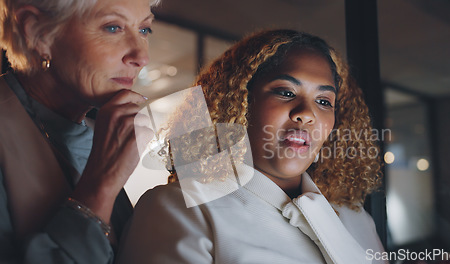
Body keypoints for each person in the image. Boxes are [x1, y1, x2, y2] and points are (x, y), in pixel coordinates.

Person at [117, 29, 387, 264]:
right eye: (286, 92)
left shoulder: (355, 217)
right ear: (239, 103)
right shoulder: (179, 208)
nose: (307, 113)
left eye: (324, 101)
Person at [0, 0, 157, 262]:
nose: (142, 57)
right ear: (36, 31)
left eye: (144, 30)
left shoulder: (100, 130)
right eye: (113, 27)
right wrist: (101, 187)